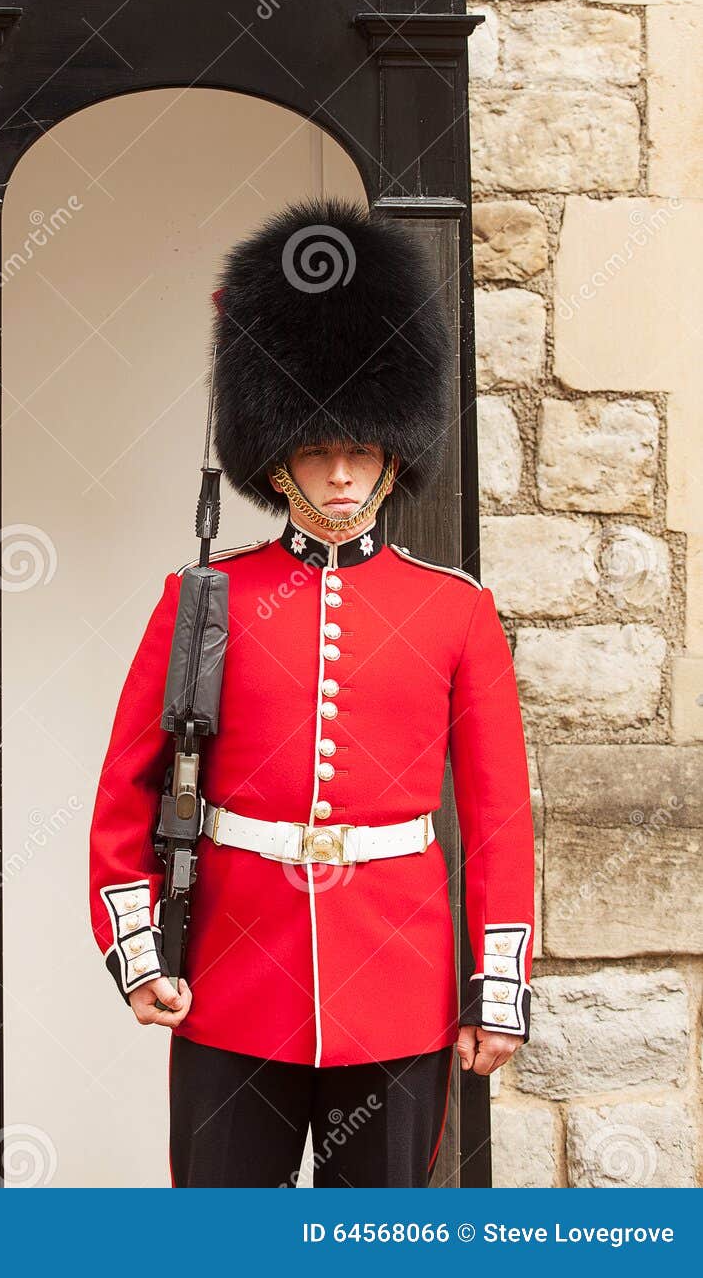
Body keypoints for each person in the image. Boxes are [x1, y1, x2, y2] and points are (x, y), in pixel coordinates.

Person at [88, 196, 535, 1188]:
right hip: (234, 980)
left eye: (361, 450)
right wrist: (138, 952)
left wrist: (494, 988)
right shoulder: (201, 600)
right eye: (316, 449)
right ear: (275, 459)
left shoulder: (453, 612)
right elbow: (128, 787)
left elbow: (498, 817)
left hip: (398, 991)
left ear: (390, 457)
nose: (340, 474)